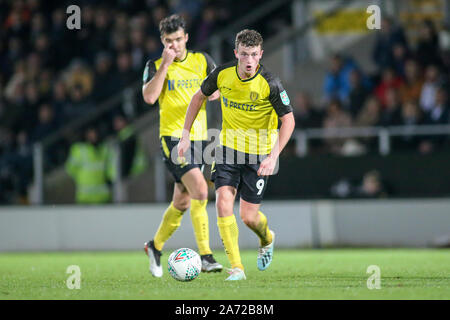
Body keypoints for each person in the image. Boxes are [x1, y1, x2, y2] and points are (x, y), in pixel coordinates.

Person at [178, 29, 295, 280]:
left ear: (261, 54)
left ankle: (267, 237)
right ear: (236, 54)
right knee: (222, 202)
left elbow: (289, 121)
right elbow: (198, 97)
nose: (249, 60)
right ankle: (237, 267)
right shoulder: (222, 74)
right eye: (244, 54)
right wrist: (186, 133)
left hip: (259, 154)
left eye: (254, 54)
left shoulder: (270, 82)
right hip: (228, 150)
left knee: (248, 217)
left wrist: (273, 156)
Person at [141, 14, 222, 277]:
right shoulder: (155, 65)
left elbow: (218, 91)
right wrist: (165, 65)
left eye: (178, 39)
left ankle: (154, 246)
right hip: (173, 139)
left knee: (183, 201)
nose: (174, 45)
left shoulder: (202, 60)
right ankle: (207, 256)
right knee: (200, 189)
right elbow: (150, 97)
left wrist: (212, 91)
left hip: (199, 138)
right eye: (168, 41)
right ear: (162, 41)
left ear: (186, 37)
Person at [65, 126, 111, 204]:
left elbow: (110, 168)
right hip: (85, 197)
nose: (92, 135)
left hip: (103, 195)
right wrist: (81, 179)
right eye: (90, 133)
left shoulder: (104, 148)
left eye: (94, 133)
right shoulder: (79, 149)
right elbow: (70, 168)